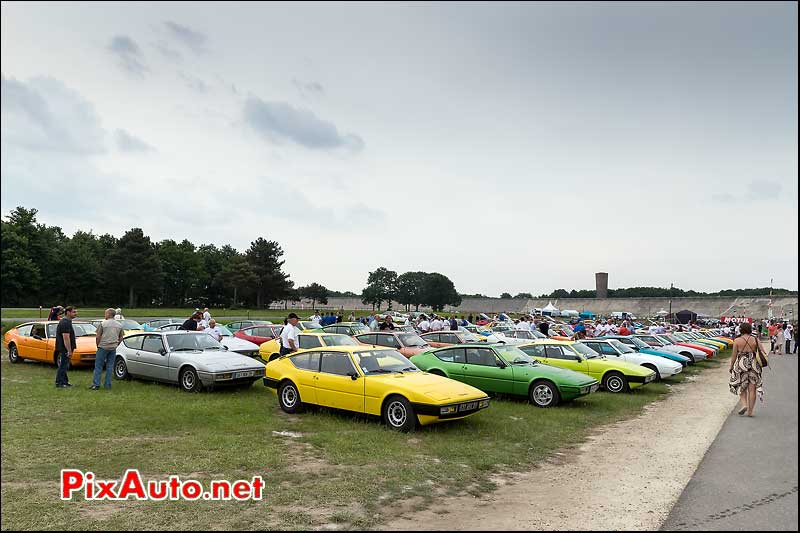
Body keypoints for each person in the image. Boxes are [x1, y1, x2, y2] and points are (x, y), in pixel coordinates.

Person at [729, 322, 765, 417]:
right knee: (752, 389)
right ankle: (750, 411)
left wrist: (731, 366)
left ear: (741, 330)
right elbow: (763, 352)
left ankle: (744, 404)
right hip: (753, 364)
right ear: (750, 329)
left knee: (741, 385)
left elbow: (733, 356)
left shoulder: (737, 340)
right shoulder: (755, 339)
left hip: (741, 363)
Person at [92, 308, 124, 390]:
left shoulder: (103, 324)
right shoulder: (119, 325)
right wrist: (116, 344)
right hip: (113, 348)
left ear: (109, 314)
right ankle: (107, 385)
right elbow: (121, 337)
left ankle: (96, 384)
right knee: (110, 366)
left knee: (98, 366)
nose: (105, 315)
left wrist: (98, 345)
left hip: (103, 346)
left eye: (105, 313)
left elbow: (98, 336)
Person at [55, 306, 78, 388]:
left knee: (64, 365)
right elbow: (66, 337)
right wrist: (69, 350)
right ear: (68, 312)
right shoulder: (65, 322)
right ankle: (60, 382)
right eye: (74, 312)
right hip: (65, 348)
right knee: (63, 365)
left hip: (65, 348)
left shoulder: (67, 321)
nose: (76, 313)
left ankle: (64, 381)